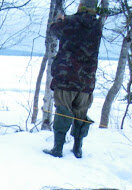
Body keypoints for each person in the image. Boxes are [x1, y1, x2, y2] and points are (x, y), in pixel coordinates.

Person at [44, 0, 102, 159]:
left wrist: (59, 20)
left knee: (63, 111)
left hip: (66, 78)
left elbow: (54, 31)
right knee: (81, 114)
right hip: (87, 80)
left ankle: (58, 148)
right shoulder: (97, 27)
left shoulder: (70, 21)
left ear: (80, 7)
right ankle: (78, 148)